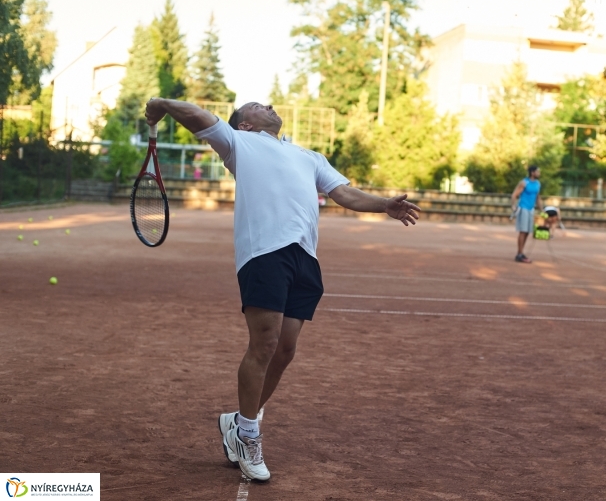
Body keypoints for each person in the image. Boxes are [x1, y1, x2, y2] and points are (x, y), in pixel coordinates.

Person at [144, 98, 421, 482]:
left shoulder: (309, 156)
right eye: (258, 105)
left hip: (305, 259)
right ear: (245, 124)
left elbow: (345, 193)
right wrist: (160, 104)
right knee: (266, 342)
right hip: (264, 252)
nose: (270, 104)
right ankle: (247, 434)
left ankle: (236, 422)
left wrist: (384, 205)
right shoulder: (239, 143)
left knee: (286, 349)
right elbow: (198, 116)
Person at [510, 166, 543, 263]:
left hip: (531, 209)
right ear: (532, 172)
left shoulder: (537, 184)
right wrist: (513, 206)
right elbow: (514, 195)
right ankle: (519, 254)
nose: (539, 173)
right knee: (523, 231)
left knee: (528, 231)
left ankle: (521, 252)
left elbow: (537, 198)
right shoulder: (524, 182)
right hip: (523, 208)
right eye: (537, 171)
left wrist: (541, 210)